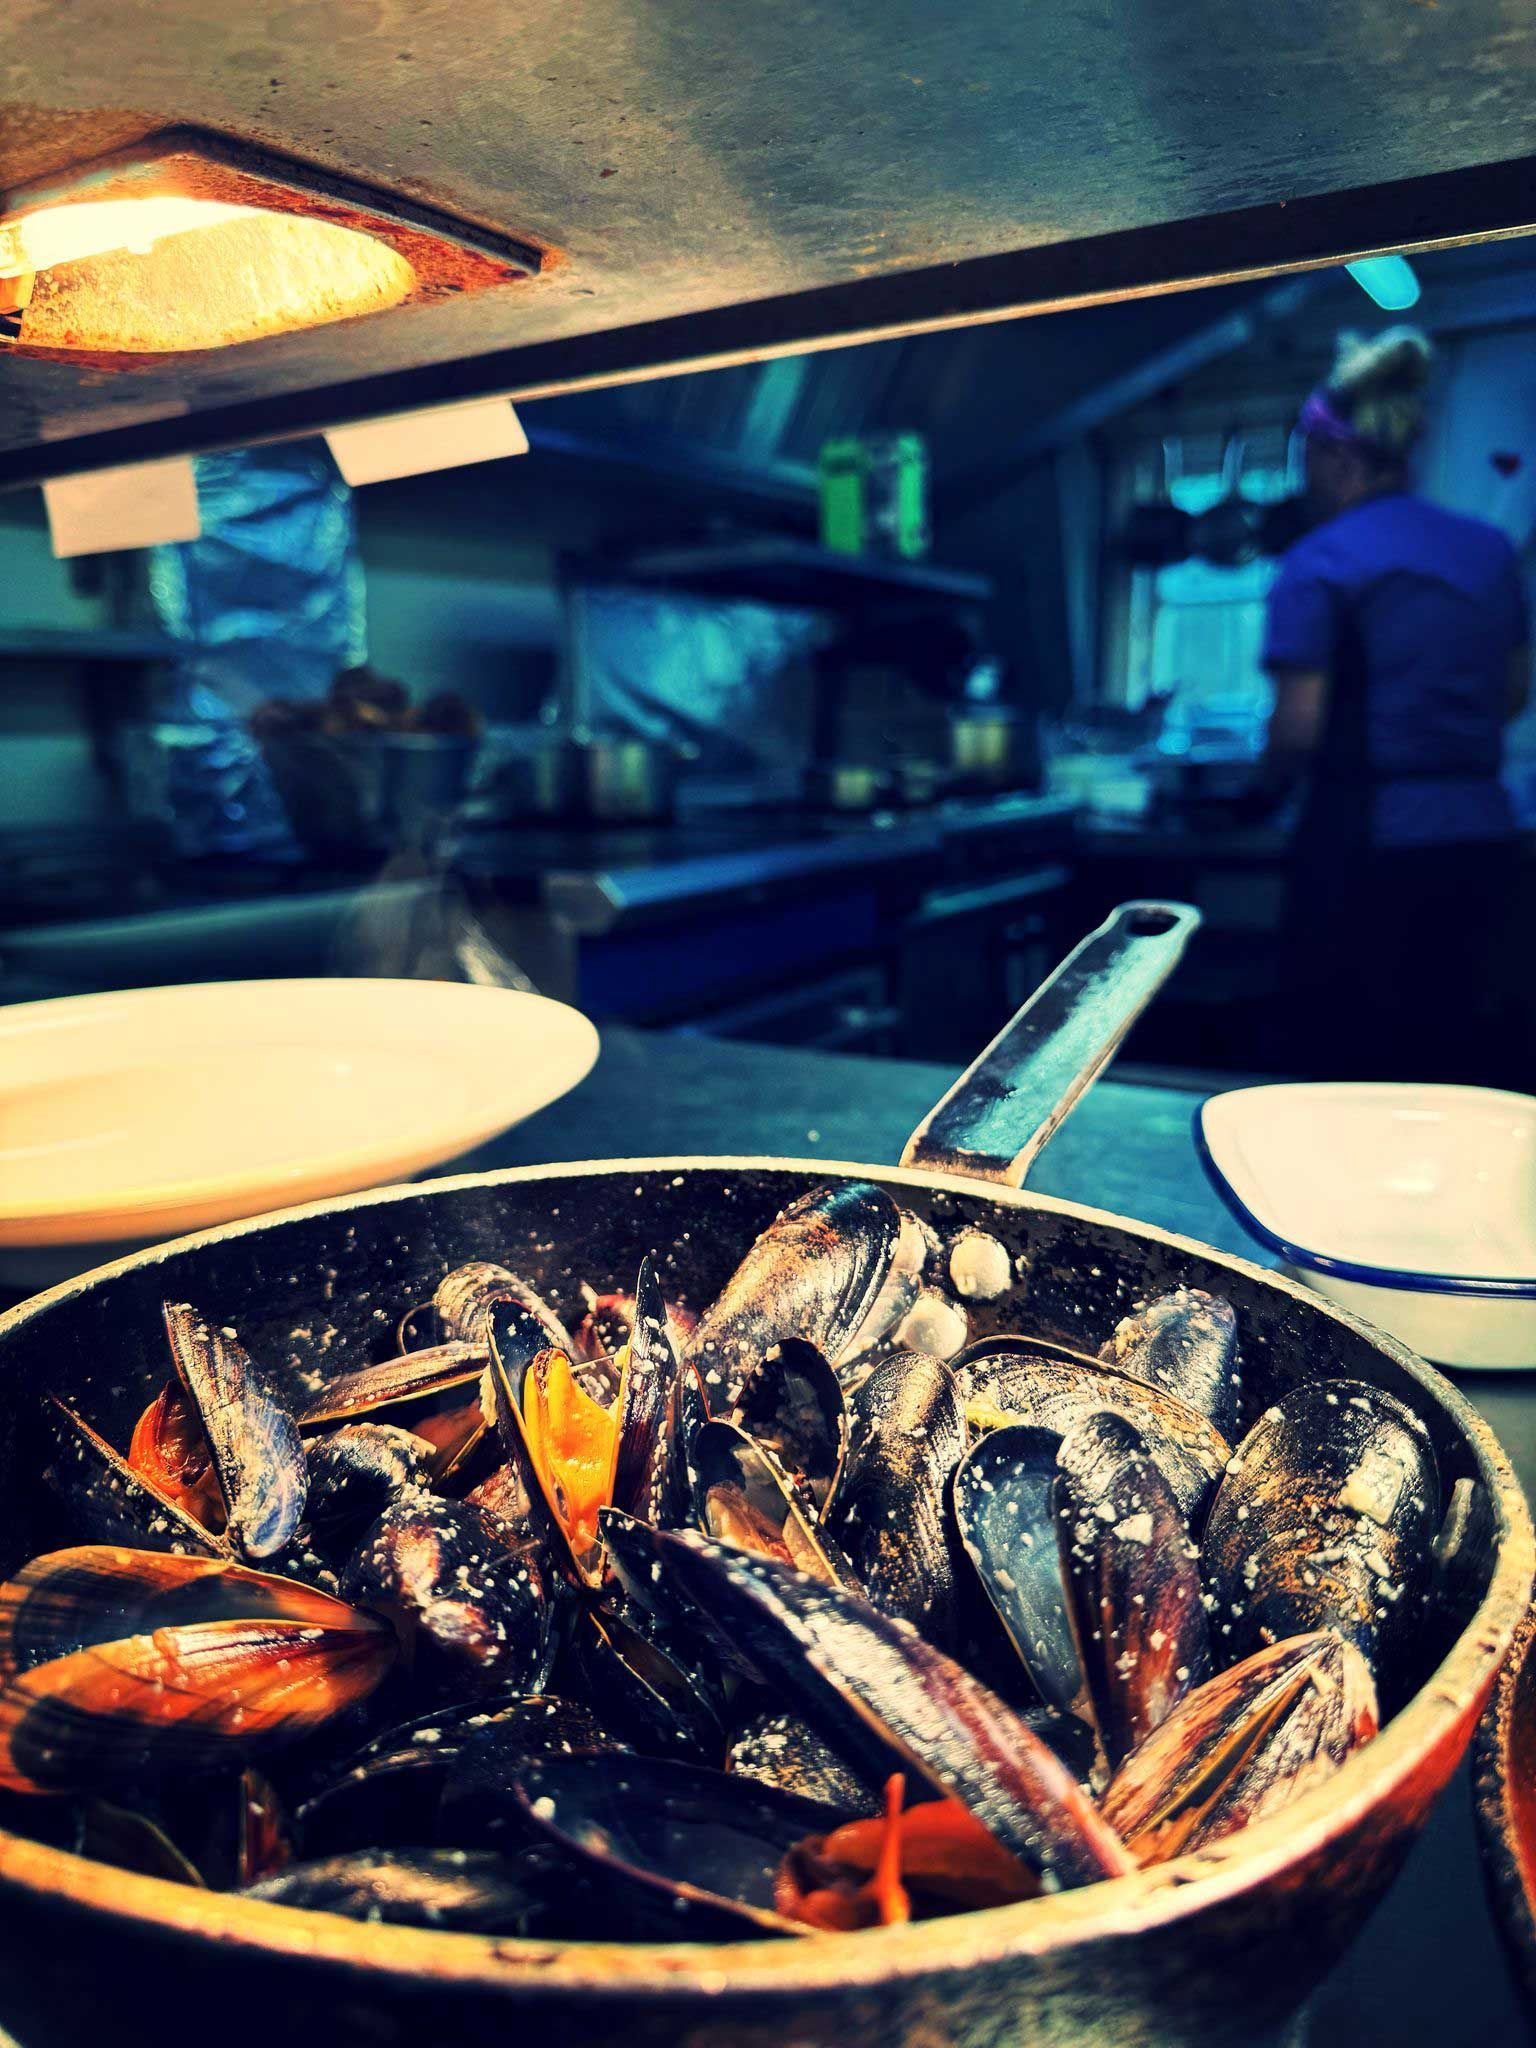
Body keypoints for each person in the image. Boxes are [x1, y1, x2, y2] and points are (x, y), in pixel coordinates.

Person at [1256, 326, 1531, 1083]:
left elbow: (1297, 730)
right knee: (1465, 1066)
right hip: (1484, 838)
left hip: (1365, 847)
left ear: (1334, 456)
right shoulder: (1490, 551)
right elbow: (1513, 695)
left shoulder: (1321, 558)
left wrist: (1259, 791)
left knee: (1347, 1073)